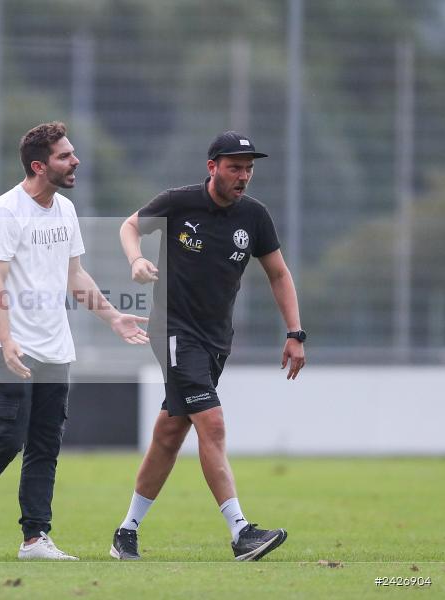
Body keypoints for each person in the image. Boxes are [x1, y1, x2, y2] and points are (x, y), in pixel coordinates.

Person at [0, 122, 149, 560]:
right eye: (64, 156)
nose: (75, 162)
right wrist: (6, 339)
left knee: (45, 444)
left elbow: (74, 275)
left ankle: (35, 539)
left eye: (72, 154)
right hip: (3, 343)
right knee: (8, 438)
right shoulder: (4, 212)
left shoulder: (66, 211)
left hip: (54, 345)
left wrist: (113, 317)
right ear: (39, 165)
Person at [110, 131, 306, 562]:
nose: (244, 176)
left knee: (169, 432)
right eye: (235, 167)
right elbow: (130, 226)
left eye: (249, 168)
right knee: (211, 423)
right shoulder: (179, 202)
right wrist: (136, 259)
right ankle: (241, 532)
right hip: (174, 331)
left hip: (217, 338)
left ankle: (125, 532)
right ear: (212, 167)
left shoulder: (254, 216)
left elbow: (278, 273)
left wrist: (294, 333)